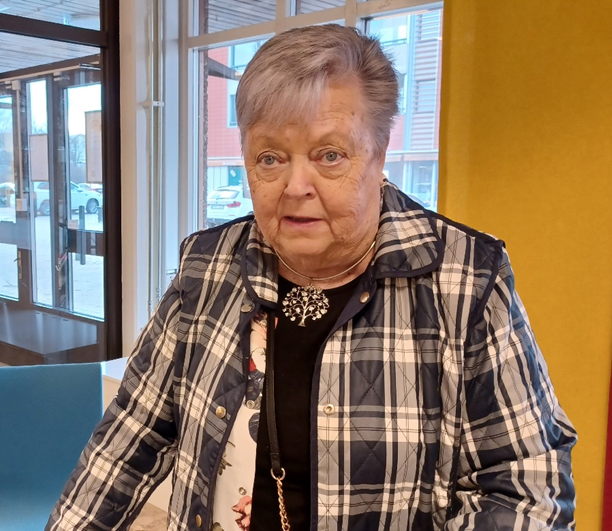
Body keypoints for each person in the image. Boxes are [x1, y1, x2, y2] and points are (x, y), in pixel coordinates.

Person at [46, 24, 577, 531]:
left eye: (329, 155)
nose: (296, 185)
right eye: (270, 158)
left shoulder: (465, 278)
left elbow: (525, 483)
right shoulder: (207, 264)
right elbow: (130, 437)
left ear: (379, 153)